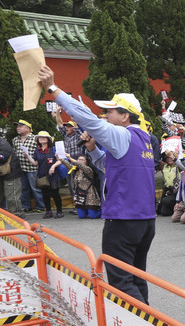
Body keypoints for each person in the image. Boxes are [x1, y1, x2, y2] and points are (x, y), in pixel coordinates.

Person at [38, 65, 156, 305]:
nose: (104, 115)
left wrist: (53, 88)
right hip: (144, 219)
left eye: (110, 111)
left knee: (121, 281)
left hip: (123, 219)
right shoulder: (143, 137)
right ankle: (148, 319)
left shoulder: (122, 135)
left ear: (125, 115)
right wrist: (92, 150)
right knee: (136, 277)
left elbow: (87, 118)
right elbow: (115, 169)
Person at [24, 131, 63, 219]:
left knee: (55, 194)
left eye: (43, 137)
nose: (41, 138)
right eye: (39, 137)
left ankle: (59, 211)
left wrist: (53, 166)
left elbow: (61, 160)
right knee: (45, 194)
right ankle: (48, 211)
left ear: (48, 139)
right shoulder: (37, 151)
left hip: (53, 175)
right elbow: (35, 163)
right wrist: (28, 157)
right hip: (42, 175)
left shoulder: (53, 149)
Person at [12, 120, 45, 212]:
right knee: (23, 188)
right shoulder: (15, 139)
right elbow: (14, 152)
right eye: (17, 126)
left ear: (27, 128)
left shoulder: (35, 138)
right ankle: (26, 206)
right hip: (20, 168)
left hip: (33, 168)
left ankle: (40, 207)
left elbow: (41, 151)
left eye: (20, 126)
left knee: (35, 188)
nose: (17, 128)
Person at [59, 153, 101, 219]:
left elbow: (80, 165)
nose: (80, 161)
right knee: (81, 216)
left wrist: (70, 158)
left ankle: (103, 211)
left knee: (93, 216)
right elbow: (68, 165)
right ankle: (87, 211)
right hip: (80, 195)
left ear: (86, 162)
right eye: (79, 159)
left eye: (82, 160)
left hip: (90, 196)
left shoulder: (88, 170)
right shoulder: (76, 170)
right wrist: (61, 159)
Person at [0, 136, 23, 216]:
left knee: (12, 196)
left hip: (11, 174)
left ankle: (17, 214)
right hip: (3, 173)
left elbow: (3, 157)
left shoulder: (3, 144)